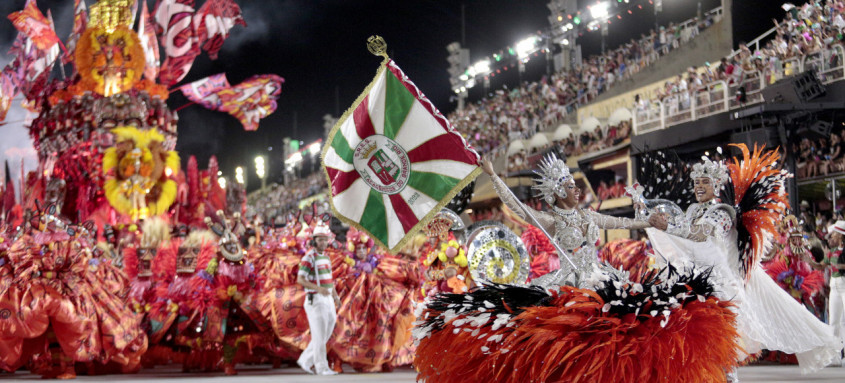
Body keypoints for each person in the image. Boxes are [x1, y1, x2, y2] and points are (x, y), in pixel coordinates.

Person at [646, 151, 842, 380]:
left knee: (723, 347)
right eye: (696, 182)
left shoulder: (722, 213)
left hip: (723, 290)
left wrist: (668, 228)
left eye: (704, 182)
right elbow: (684, 237)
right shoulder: (692, 212)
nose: (699, 187)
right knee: (702, 346)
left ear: (716, 185)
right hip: (699, 286)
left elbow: (700, 235)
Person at [296, 223, 341, 375]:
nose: (323, 242)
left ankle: (305, 360)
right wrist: (318, 289)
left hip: (327, 299)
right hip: (315, 299)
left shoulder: (326, 257)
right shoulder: (309, 257)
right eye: (320, 240)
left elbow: (330, 279)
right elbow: (300, 279)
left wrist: (335, 296)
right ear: (314, 240)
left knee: (326, 333)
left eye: (325, 239)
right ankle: (322, 367)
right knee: (319, 334)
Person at [805, 220, 845, 364]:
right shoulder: (832, 252)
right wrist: (810, 261)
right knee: (834, 321)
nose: (831, 236)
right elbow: (821, 266)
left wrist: (841, 265)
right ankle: (835, 355)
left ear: (840, 236)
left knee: (844, 321)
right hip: (835, 285)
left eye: (834, 234)